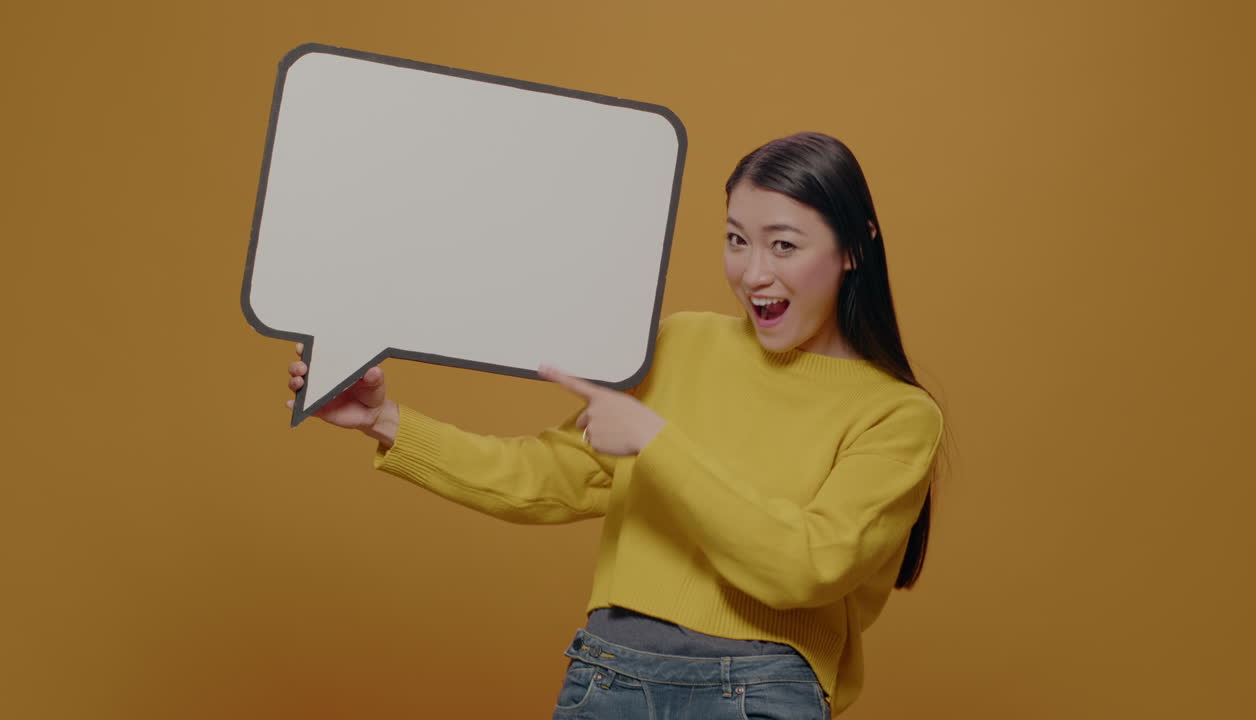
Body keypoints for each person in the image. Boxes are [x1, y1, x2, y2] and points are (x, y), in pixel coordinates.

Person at [284, 132, 944, 719]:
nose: (753, 272)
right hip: (609, 674)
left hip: (760, 690)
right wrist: (386, 421)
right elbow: (548, 477)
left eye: (784, 245)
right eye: (737, 239)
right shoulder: (682, 343)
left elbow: (808, 567)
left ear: (855, 247)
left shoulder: (896, 416)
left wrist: (655, 439)